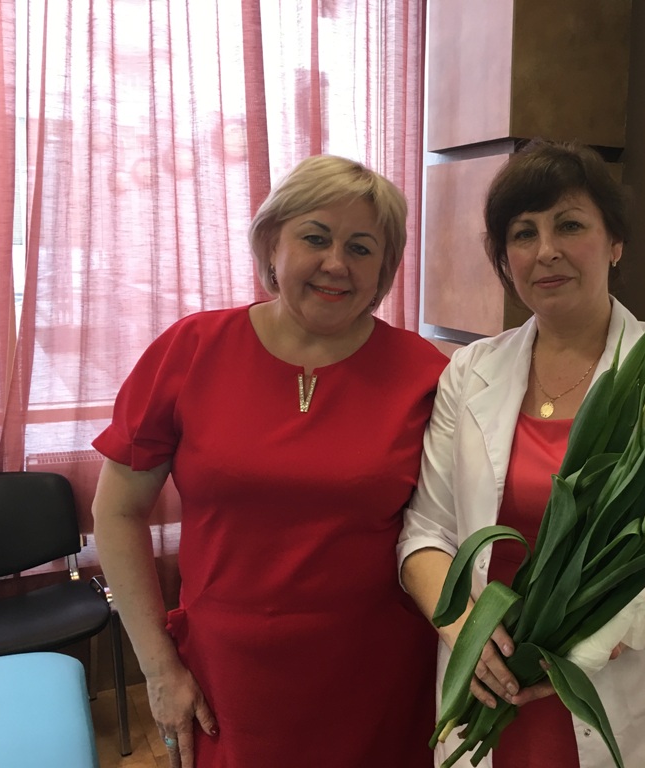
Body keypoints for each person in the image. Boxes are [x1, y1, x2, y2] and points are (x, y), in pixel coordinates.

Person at [398, 140, 645, 768]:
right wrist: (463, 626)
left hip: (637, 704)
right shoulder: (469, 373)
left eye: (569, 225)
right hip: (494, 692)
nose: (546, 250)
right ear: (505, 260)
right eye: (523, 233)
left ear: (614, 242)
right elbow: (426, 533)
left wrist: (628, 626)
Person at [91, 155, 447, 767]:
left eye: (361, 248)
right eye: (316, 238)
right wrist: (159, 667)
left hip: (378, 680)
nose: (336, 263)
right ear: (271, 244)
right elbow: (117, 512)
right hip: (228, 679)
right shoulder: (191, 349)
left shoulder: (428, 375)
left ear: (385, 269)